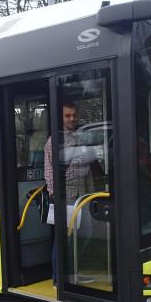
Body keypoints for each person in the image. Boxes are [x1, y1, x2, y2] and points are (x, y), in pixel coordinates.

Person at [44, 101, 95, 286]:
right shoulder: (54, 141)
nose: (72, 118)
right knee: (63, 238)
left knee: (85, 234)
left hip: (83, 197)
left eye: (74, 115)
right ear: (61, 117)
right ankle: (59, 278)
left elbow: (87, 169)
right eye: (68, 115)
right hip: (65, 197)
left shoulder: (81, 139)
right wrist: (54, 194)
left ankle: (72, 271)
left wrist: (91, 194)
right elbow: (49, 171)